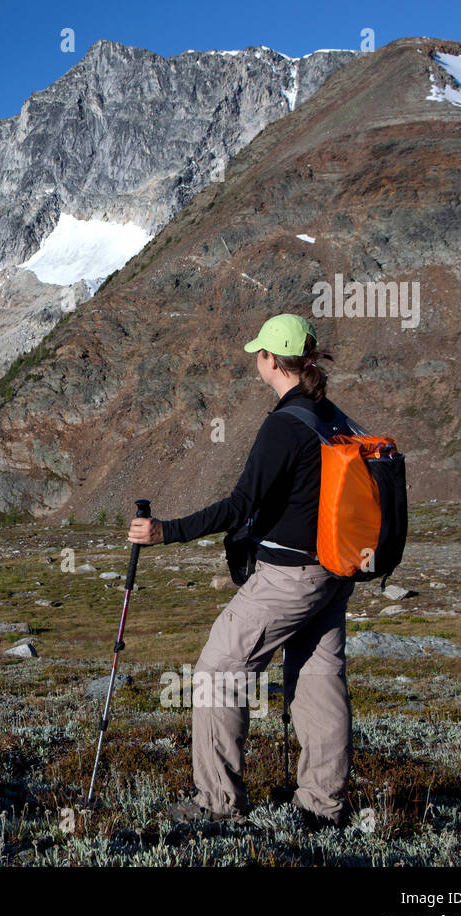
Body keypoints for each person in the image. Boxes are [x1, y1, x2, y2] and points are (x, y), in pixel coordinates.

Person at [127, 313, 360, 828]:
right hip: (334, 572)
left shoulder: (285, 424)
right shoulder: (332, 417)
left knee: (217, 672)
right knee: (320, 679)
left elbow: (240, 504)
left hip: (290, 577)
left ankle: (217, 803)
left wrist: (167, 531)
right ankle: (323, 805)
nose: (257, 361)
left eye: (260, 354)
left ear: (269, 360)